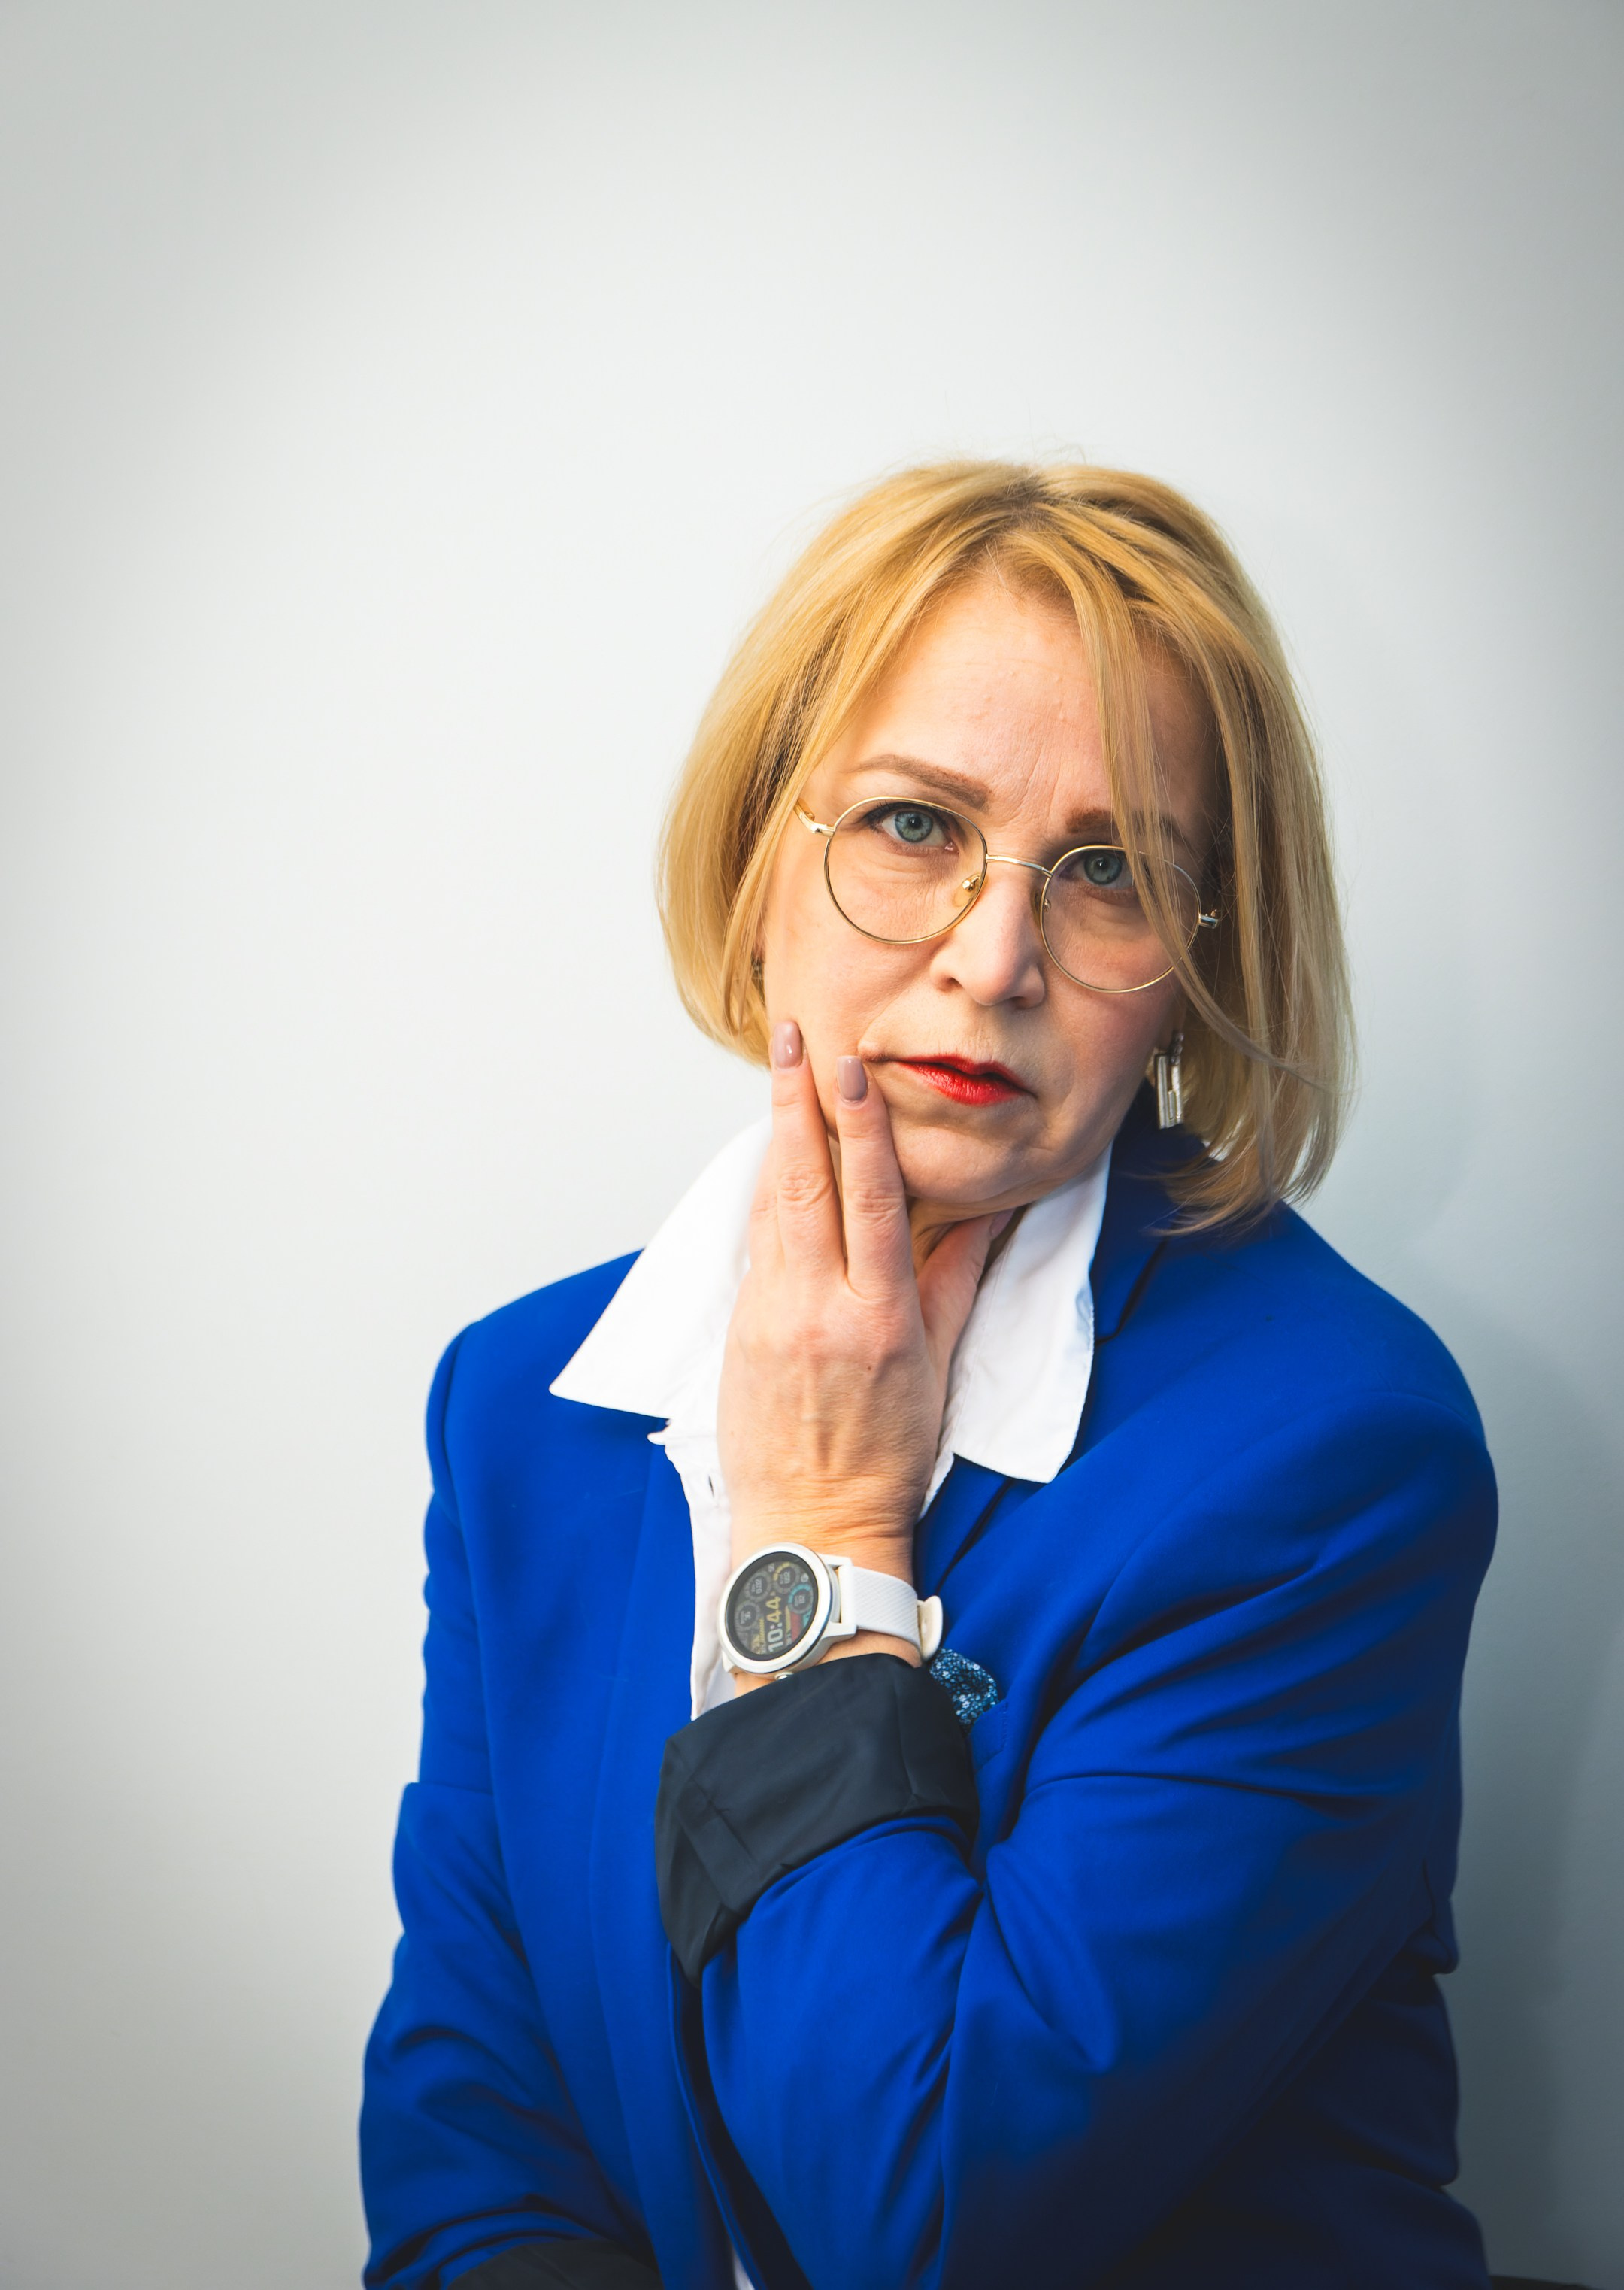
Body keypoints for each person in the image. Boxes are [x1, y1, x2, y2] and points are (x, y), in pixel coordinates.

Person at [359, 462, 1497, 2289]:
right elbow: (478, 2165)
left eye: (1109, 868)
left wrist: (818, 1524)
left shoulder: (1334, 1456)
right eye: (913, 824)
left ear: (1196, 956)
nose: (994, 955)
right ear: (757, 869)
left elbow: (934, 2213)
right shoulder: (526, 1407)